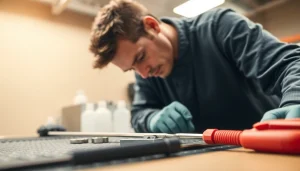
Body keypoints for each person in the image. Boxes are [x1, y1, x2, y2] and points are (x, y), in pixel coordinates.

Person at [89, 0, 300, 133]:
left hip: (268, 148)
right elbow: (139, 114)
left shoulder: (219, 27)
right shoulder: (145, 71)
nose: (143, 74)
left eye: (141, 57)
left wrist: (295, 100)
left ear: (152, 26)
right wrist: (153, 119)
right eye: (132, 69)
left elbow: (292, 63)